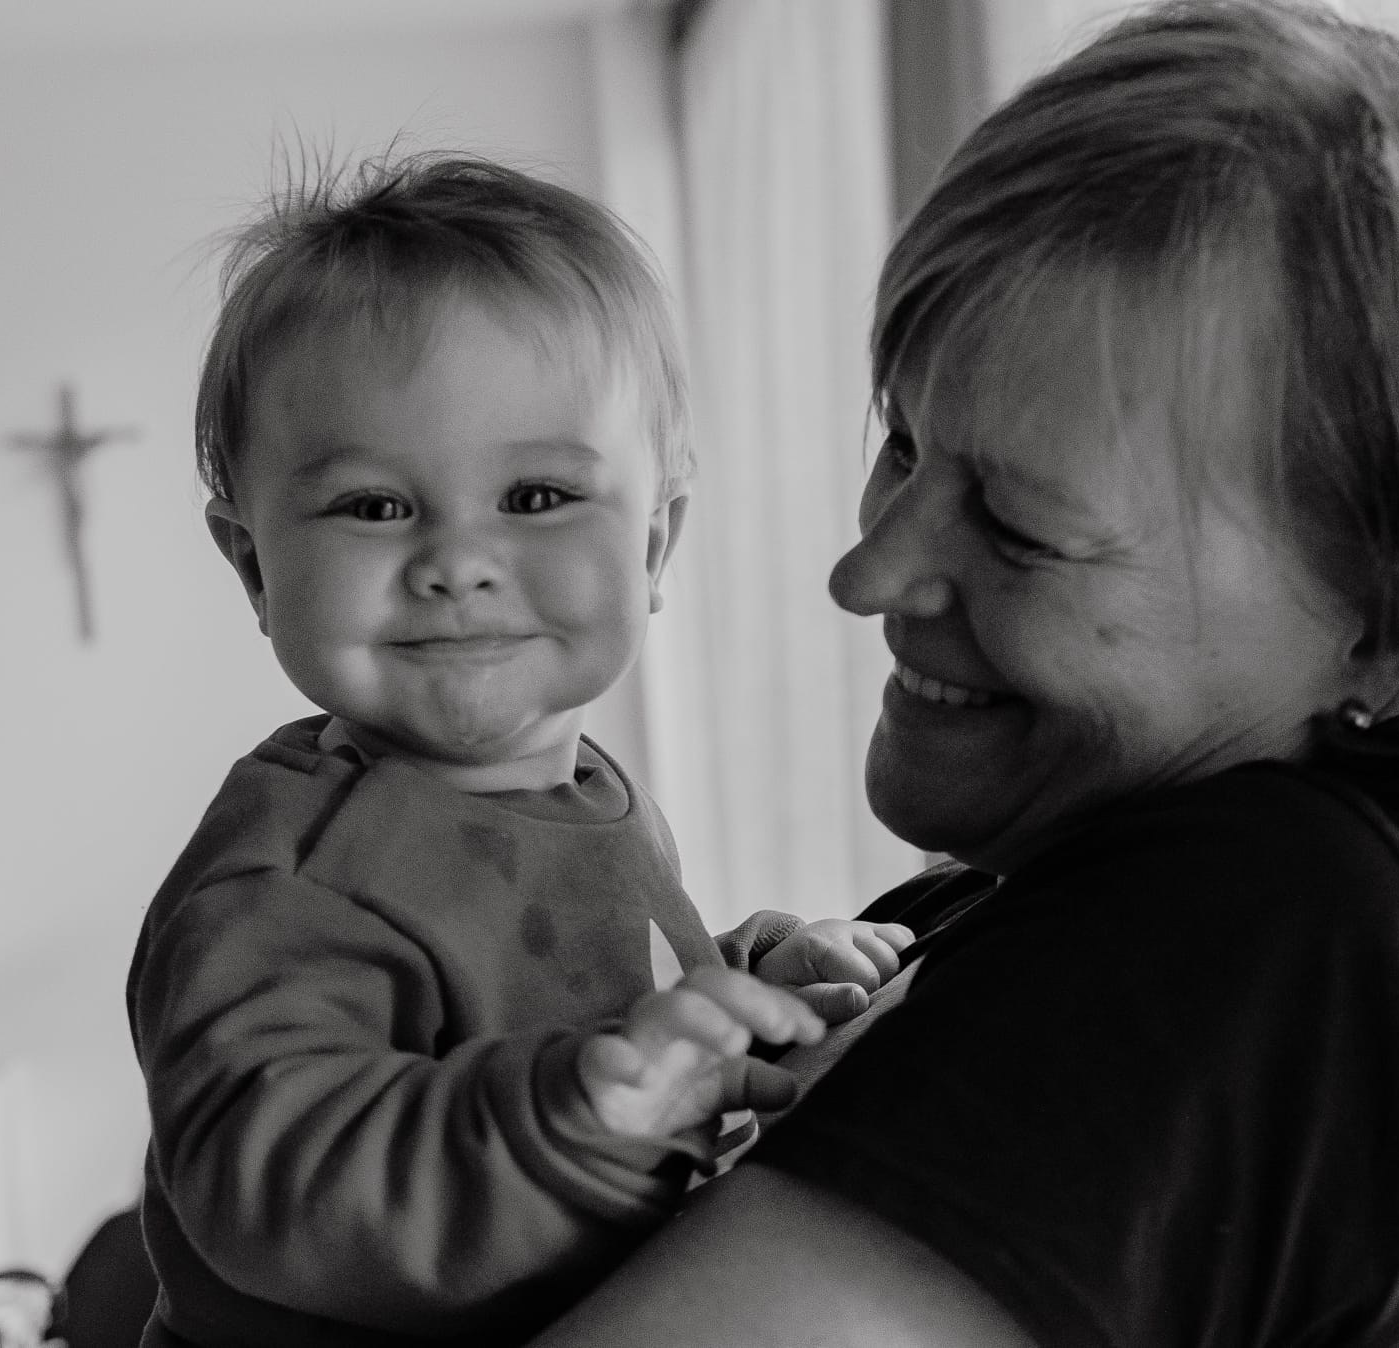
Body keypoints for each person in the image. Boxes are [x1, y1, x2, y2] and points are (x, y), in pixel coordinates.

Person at [528, 2, 1399, 1344]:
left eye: (1026, 529)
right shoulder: (1107, 900)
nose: (866, 575)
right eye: (905, 444)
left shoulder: (1264, 929)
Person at [127, 155, 911, 1348]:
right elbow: (269, 1181)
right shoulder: (290, 872)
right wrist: (581, 1112)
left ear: (653, 543)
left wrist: (751, 988)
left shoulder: (598, 800)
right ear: (252, 564)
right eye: (375, 506)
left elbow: (605, 991)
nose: (457, 560)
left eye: (538, 495)